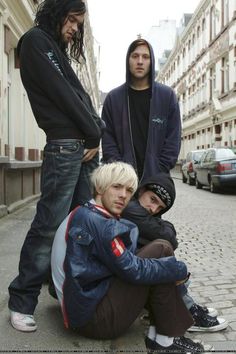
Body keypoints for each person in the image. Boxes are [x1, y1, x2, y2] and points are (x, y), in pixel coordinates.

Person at [8, 0, 104, 332]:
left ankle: (61, 286)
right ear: (58, 11)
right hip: (65, 147)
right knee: (49, 224)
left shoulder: (55, 49)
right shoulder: (36, 42)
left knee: (81, 224)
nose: (75, 28)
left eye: (80, 24)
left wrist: (94, 131)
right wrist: (94, 131)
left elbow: (80, 96)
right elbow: (64, 95)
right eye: (73, 20)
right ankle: (21, 300)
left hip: (82, 148)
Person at [51, 161, 213, 353]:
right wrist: (179, 269)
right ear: (101, 187)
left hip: (81, 309)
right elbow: (134, 270)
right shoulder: (100, 224)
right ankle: (165, 340)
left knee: (159, 260)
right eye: (117, 187)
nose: (123, 195)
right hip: (93, 321)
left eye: (129, 190)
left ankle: (160, 335)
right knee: (162, 252)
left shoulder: (83, 212)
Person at [122, 172, 228, 333]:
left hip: (126, 274)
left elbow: (166, 229)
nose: (153, 209)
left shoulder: (138, 209)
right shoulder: (131, 208)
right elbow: (169, 238)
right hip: (118, 286)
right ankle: (188, 310)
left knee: (162, 255)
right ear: (141, 191)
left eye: (160, 208)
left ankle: (185, 306)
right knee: (162, 250)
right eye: (152, 200)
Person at [101, 38, 181, 181]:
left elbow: (173, 138)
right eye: (135, 56)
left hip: (156, 180)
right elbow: (108, 140)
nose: (140, 61)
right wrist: (121, 172)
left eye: (145, 57)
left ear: (152, 62)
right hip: (121, 180)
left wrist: (159, 170)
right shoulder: (114, 99)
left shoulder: (166, 96)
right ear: (128, 60)